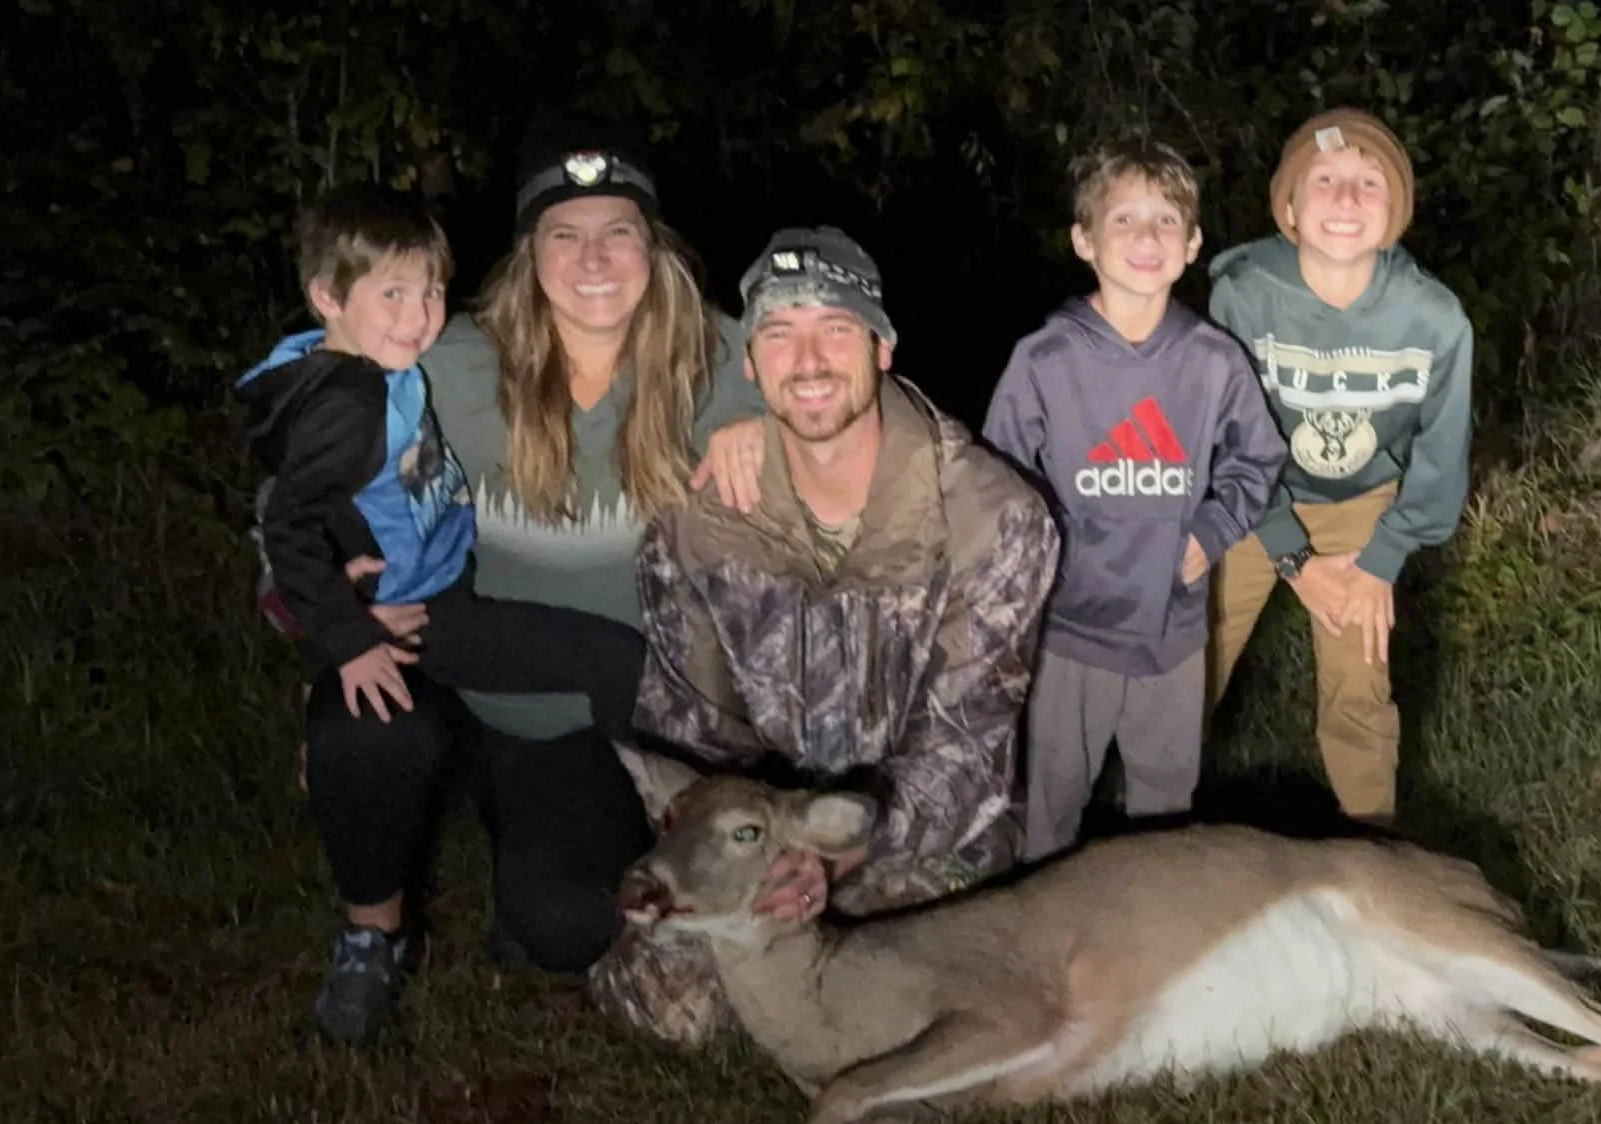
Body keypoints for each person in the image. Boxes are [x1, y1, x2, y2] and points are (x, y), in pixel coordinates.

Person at [274, 113, 765, 1048]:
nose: (593, 258)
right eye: (563, 234)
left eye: (618, 230)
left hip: (573, 721)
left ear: (653, 247)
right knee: (359, 724)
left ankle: (518, 848)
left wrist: (748, 414)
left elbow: (809, 358)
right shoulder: (454, 363)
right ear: (528, 253)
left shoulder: (708, 359)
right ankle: (372, 940)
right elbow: (309, 461)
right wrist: (330, 614)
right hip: (454, 658)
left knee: (570, 925)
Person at [588, 224, 1062, 1045]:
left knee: (921, 993)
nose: (808, 361)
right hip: (754, 836)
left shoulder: (994, 517)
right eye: (779, 333)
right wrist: (753, 856)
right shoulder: (693, 526)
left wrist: (833, 860)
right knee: (659, 1006)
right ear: (750, 362)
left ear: (882, 347)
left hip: (918, 838)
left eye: (835, 329)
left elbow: (967, 756)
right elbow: (691, 729)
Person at [238, 182, 649, 738]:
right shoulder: (347, 408)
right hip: (424, 613)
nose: (419, 317)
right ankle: (642, 793)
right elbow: (288, 525)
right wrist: (350, 639)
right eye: (393, 295)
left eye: (431, 292)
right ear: (329, 298)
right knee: (618, 657)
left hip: (440, 580)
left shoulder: (351, 363)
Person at [978, 139, 1288, 863]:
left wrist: (1209, 532)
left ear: (1193, 245)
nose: (1147, 237)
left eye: (1166, 221)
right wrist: (1044, 565)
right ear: (1084, 238)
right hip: (1070, 636)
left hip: (1172, 635)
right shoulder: (1045, 359)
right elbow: (996, 481)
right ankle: (1047, 952)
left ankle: (1155, 955)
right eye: (1124, 220)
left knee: (1165, 823)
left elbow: (1259, 456)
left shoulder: (1214, 360)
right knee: (1053, 815)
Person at [1203, 108, 1475, 827]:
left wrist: (1382, 557)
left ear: (1396, 213)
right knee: (1188, 660)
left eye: (1368, 182)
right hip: (1257, 493)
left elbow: (1440, 461)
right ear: (1288, 208)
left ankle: (1373, 851)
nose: (1347, 199)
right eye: (1324, 181)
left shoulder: (1436, 320)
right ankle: (1154, 830)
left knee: (1359, 679)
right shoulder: (1242, 296)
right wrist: (1292, 555)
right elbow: (1226, 438)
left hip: (1364, 502)